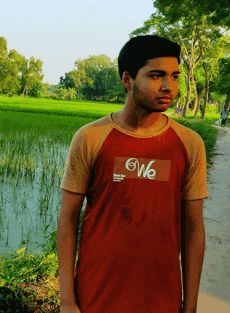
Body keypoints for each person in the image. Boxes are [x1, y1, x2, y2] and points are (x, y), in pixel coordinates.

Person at [57, 35, 208, 313]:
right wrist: (67, 301)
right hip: (96, 295)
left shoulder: (189, 143)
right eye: (155, 75)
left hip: (162, 297)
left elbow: (194, 229)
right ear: (127, 80)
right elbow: (68, 219)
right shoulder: (91, 138)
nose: (168, 86)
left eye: (174, 76)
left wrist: (192, 304)